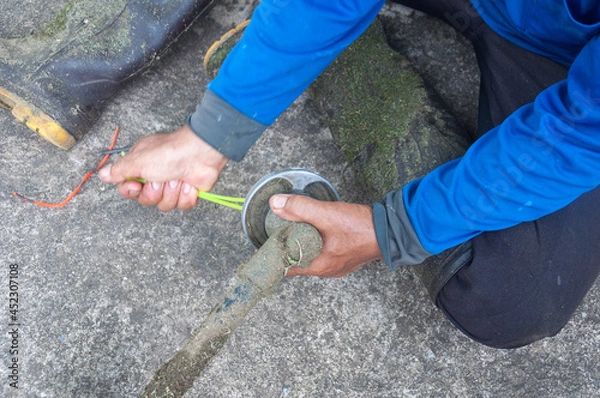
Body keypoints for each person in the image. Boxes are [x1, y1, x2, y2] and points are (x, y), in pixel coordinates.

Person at [98, 0, 600, 349]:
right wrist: (213, 130)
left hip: (568, 59)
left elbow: (583, 130)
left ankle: (348, 62)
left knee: (515, 297)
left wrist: (397, 228)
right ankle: (309, 46)